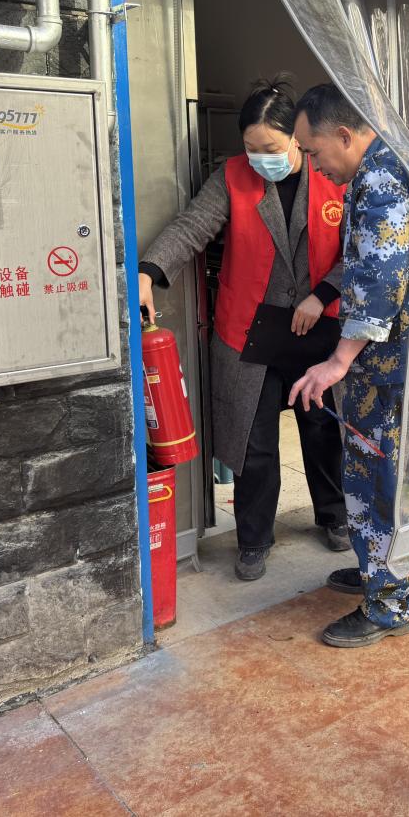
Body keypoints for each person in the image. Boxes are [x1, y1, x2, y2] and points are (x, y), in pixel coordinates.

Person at [138, 77, 348, 583]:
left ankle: (335, 515)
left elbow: (362, 252)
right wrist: (149, 270)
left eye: (271, 148)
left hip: (318, 325)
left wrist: (322, 294)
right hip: (250, 329)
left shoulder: (333, 175)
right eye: (252, 148)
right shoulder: (232, 177)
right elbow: (192, 227)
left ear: (297, 139)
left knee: (323, 428)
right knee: (254, 439)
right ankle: (253, 538)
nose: (260, 159)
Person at [288, 83, 409, 649]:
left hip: (386, 366)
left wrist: (338, 361)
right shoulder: (395, 164)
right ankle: (376, 572)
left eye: (313, 151)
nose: (312, 165)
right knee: (384, 475)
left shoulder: (380, 181)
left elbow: (381, 278)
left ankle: (389, 601)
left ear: (344, 135)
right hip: (402, 359)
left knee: (376, 479)